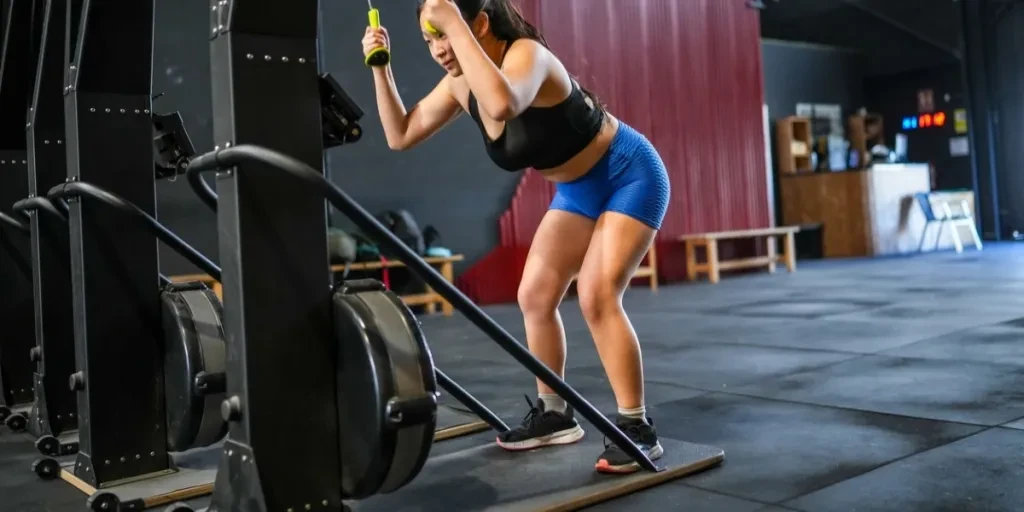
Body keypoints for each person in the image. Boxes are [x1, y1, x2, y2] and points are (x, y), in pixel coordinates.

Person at [362, 0, 671, 474]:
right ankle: (554, 414)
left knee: (596, 294)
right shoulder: (460, 84)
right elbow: (399, 134)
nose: (439, 50)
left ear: (480, 23)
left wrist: (451, 22)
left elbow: (503, 100)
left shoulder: (528, 56)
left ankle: (637, 427)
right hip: (577, 189)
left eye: (444, 34)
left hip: (629, 173)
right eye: (429, 41)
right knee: (534, 295)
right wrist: (380, 68)